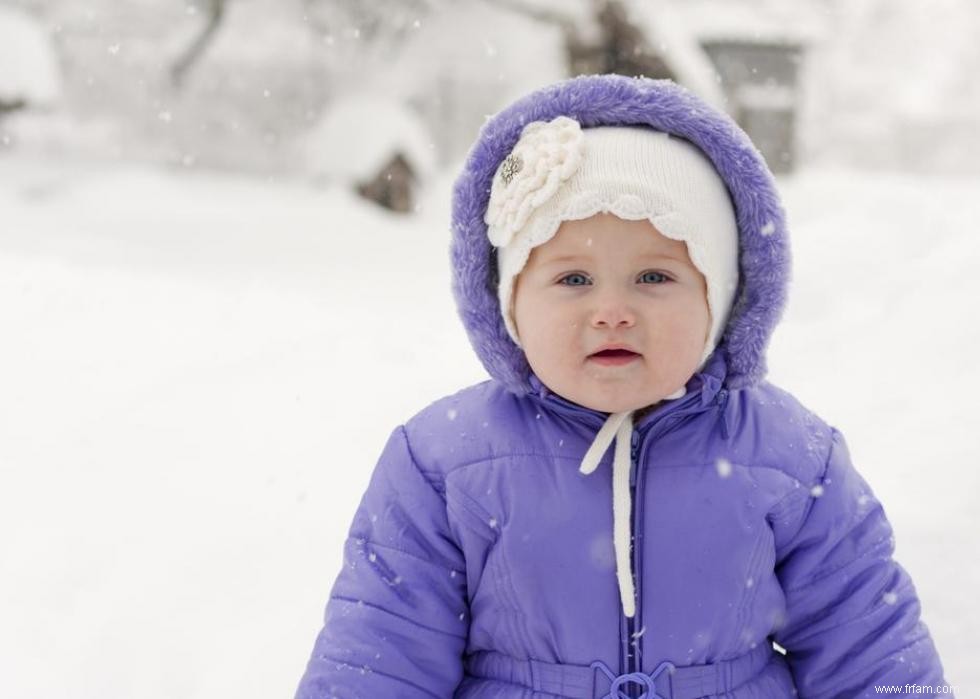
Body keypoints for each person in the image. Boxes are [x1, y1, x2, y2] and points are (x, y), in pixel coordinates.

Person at [294, 74, 952, 698]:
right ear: (511, 304)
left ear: (719, 302)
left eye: (655, 278)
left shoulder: (792, 456)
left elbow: (871, 648)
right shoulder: (443, 461)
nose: (611, 310)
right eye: (573, 279)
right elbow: (378, 658)